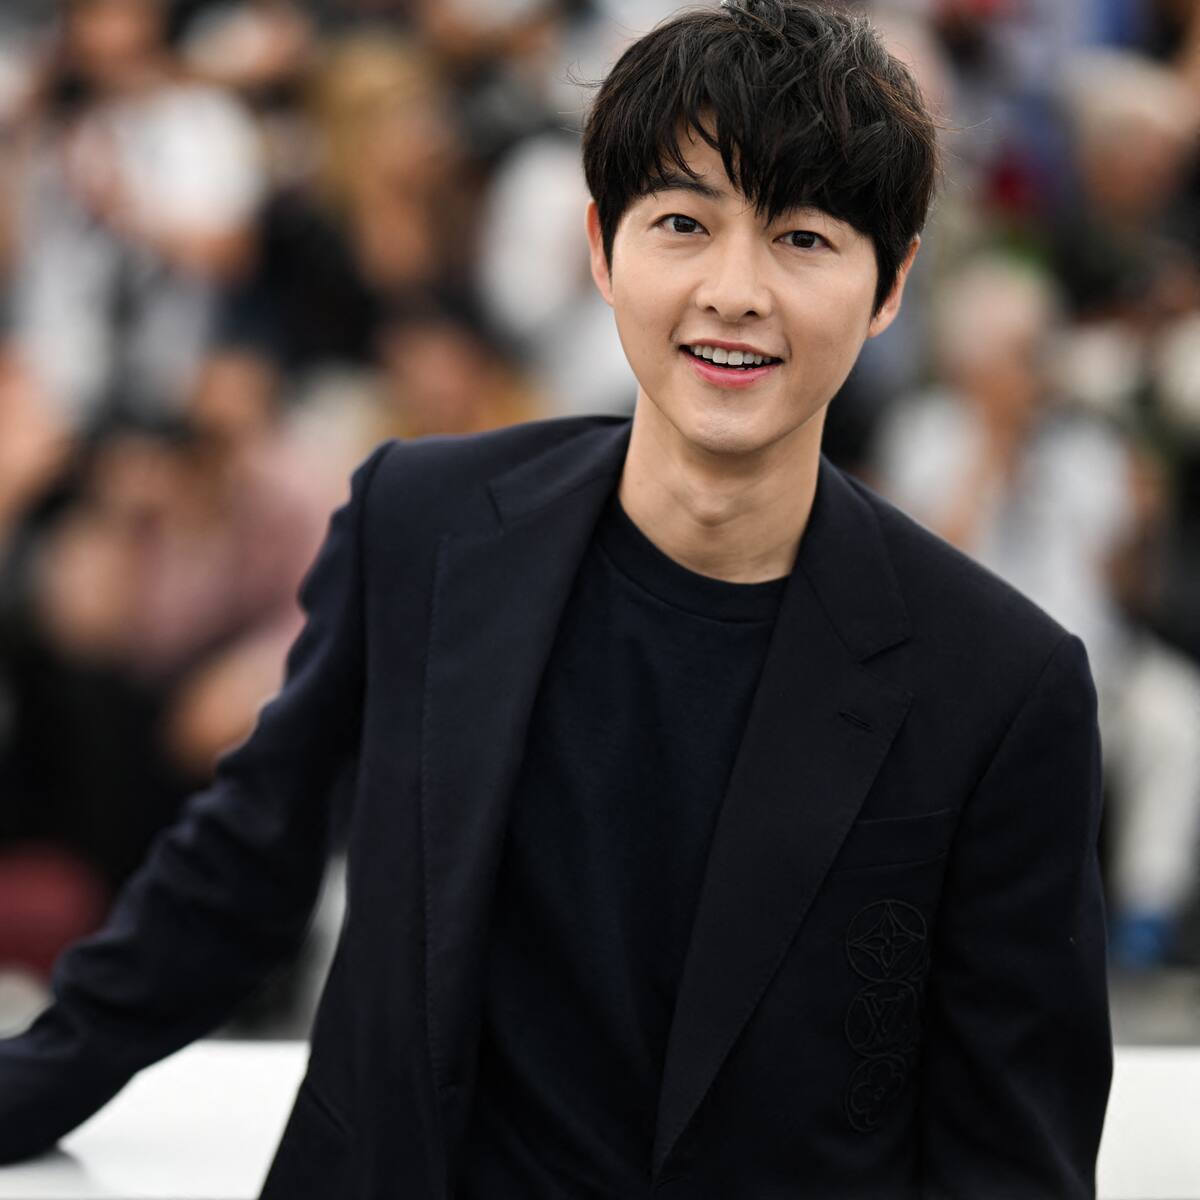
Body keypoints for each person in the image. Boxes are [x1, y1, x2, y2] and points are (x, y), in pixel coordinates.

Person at [0, 2, 1111, 1196]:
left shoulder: (1000, 685)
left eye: (803, 238)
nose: (735, 291)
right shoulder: (424, 525)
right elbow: (242, 864)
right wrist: (30, 1085)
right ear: (599, 246)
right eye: (684, 223)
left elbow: (1011, 1149)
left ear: (890, 287)